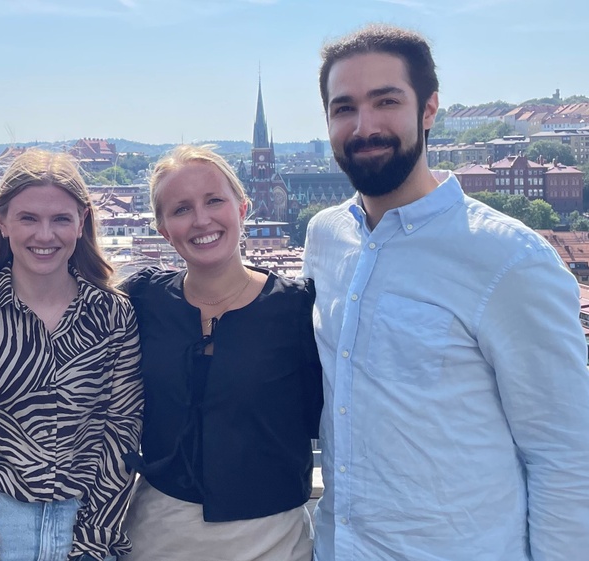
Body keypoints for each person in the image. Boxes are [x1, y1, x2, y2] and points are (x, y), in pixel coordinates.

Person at [304, 24, 589, 561]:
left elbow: (567, 456)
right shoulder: (324, 238)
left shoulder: (509, 259)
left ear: (429, 109)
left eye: (385, 101)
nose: (364, 126)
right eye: (344, 108)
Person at [0, 149, 143, 561]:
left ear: (82, 222)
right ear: (2, 221)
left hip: (88, 529)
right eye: (28, 218)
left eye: (60, 219)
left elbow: (121, 435)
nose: (45, 236)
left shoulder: (113, 314)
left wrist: (91, 543)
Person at [119, 145, 322, 561]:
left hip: (272, 542)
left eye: (214, 201)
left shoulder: (299, 310)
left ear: (242, 208)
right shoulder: (141, 300)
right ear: (162, 229)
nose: (201, 219)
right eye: (181, 209)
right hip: (157, 537)